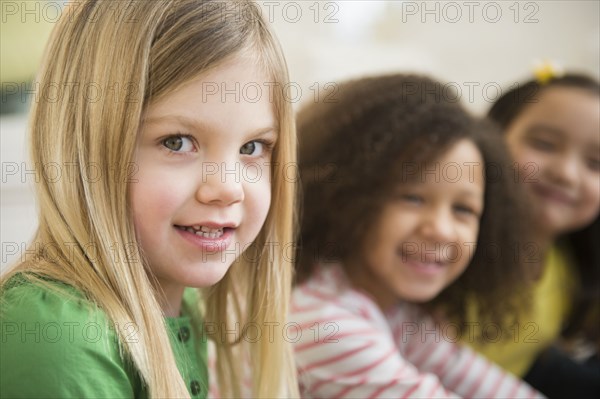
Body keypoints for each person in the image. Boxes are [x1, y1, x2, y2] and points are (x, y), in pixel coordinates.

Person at [0, 1, 298, 398]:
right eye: (177, 142)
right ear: (84, 148)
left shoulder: (186, 301)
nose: (229, 187)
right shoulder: (58, 335)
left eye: (253, 146)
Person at [290, 74, 543, 398]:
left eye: (463, 209)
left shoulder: (400, 313)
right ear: (346, 196)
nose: (440, 229)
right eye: (412, 197)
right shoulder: (323, 324)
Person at [470, 72, 600, 398]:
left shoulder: (572, 272)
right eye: (544, 144)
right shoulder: (448, 247)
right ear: (491, 140)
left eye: (595, 163)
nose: (566, 173)